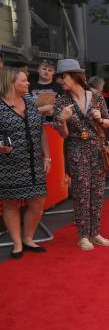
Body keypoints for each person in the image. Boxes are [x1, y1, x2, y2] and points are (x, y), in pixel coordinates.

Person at [52, 59, 109, 249]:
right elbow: (63, 134)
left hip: (97, 148)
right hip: (76, 149)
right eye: (59, 77)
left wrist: (100, 119)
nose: (61, 81)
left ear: (75, 76)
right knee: (81, 193)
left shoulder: (97, 97)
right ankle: (83, 235)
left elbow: (108, 122)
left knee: (98, 191)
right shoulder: (61, 101)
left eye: (63, 76)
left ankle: (95, 233)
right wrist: (62, 121)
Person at [0, 67, 51, 258]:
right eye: (24, 81)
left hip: (33, 163)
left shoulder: (29, 102)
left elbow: (41, 131)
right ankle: (17, 243)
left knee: (38, 201)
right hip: (7, 164)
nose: (28, 83)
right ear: (11, 83)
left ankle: (28, 238)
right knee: (11, 204)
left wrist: (47, 156)